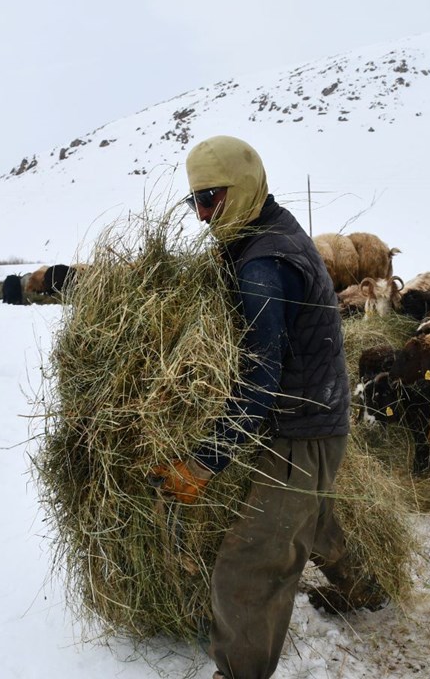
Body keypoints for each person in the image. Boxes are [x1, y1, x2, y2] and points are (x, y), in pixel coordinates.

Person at [151, 135, 386, 679]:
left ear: (242, 188)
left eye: (212, 199)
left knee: (249, 567)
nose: (204, 216)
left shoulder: (263, 262)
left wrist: (202, 463)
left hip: (300, 426)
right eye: (196, 203)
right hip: (319, 413)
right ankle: (363, 588)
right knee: (313, 514)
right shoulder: (270, 231)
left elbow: (259, 381)